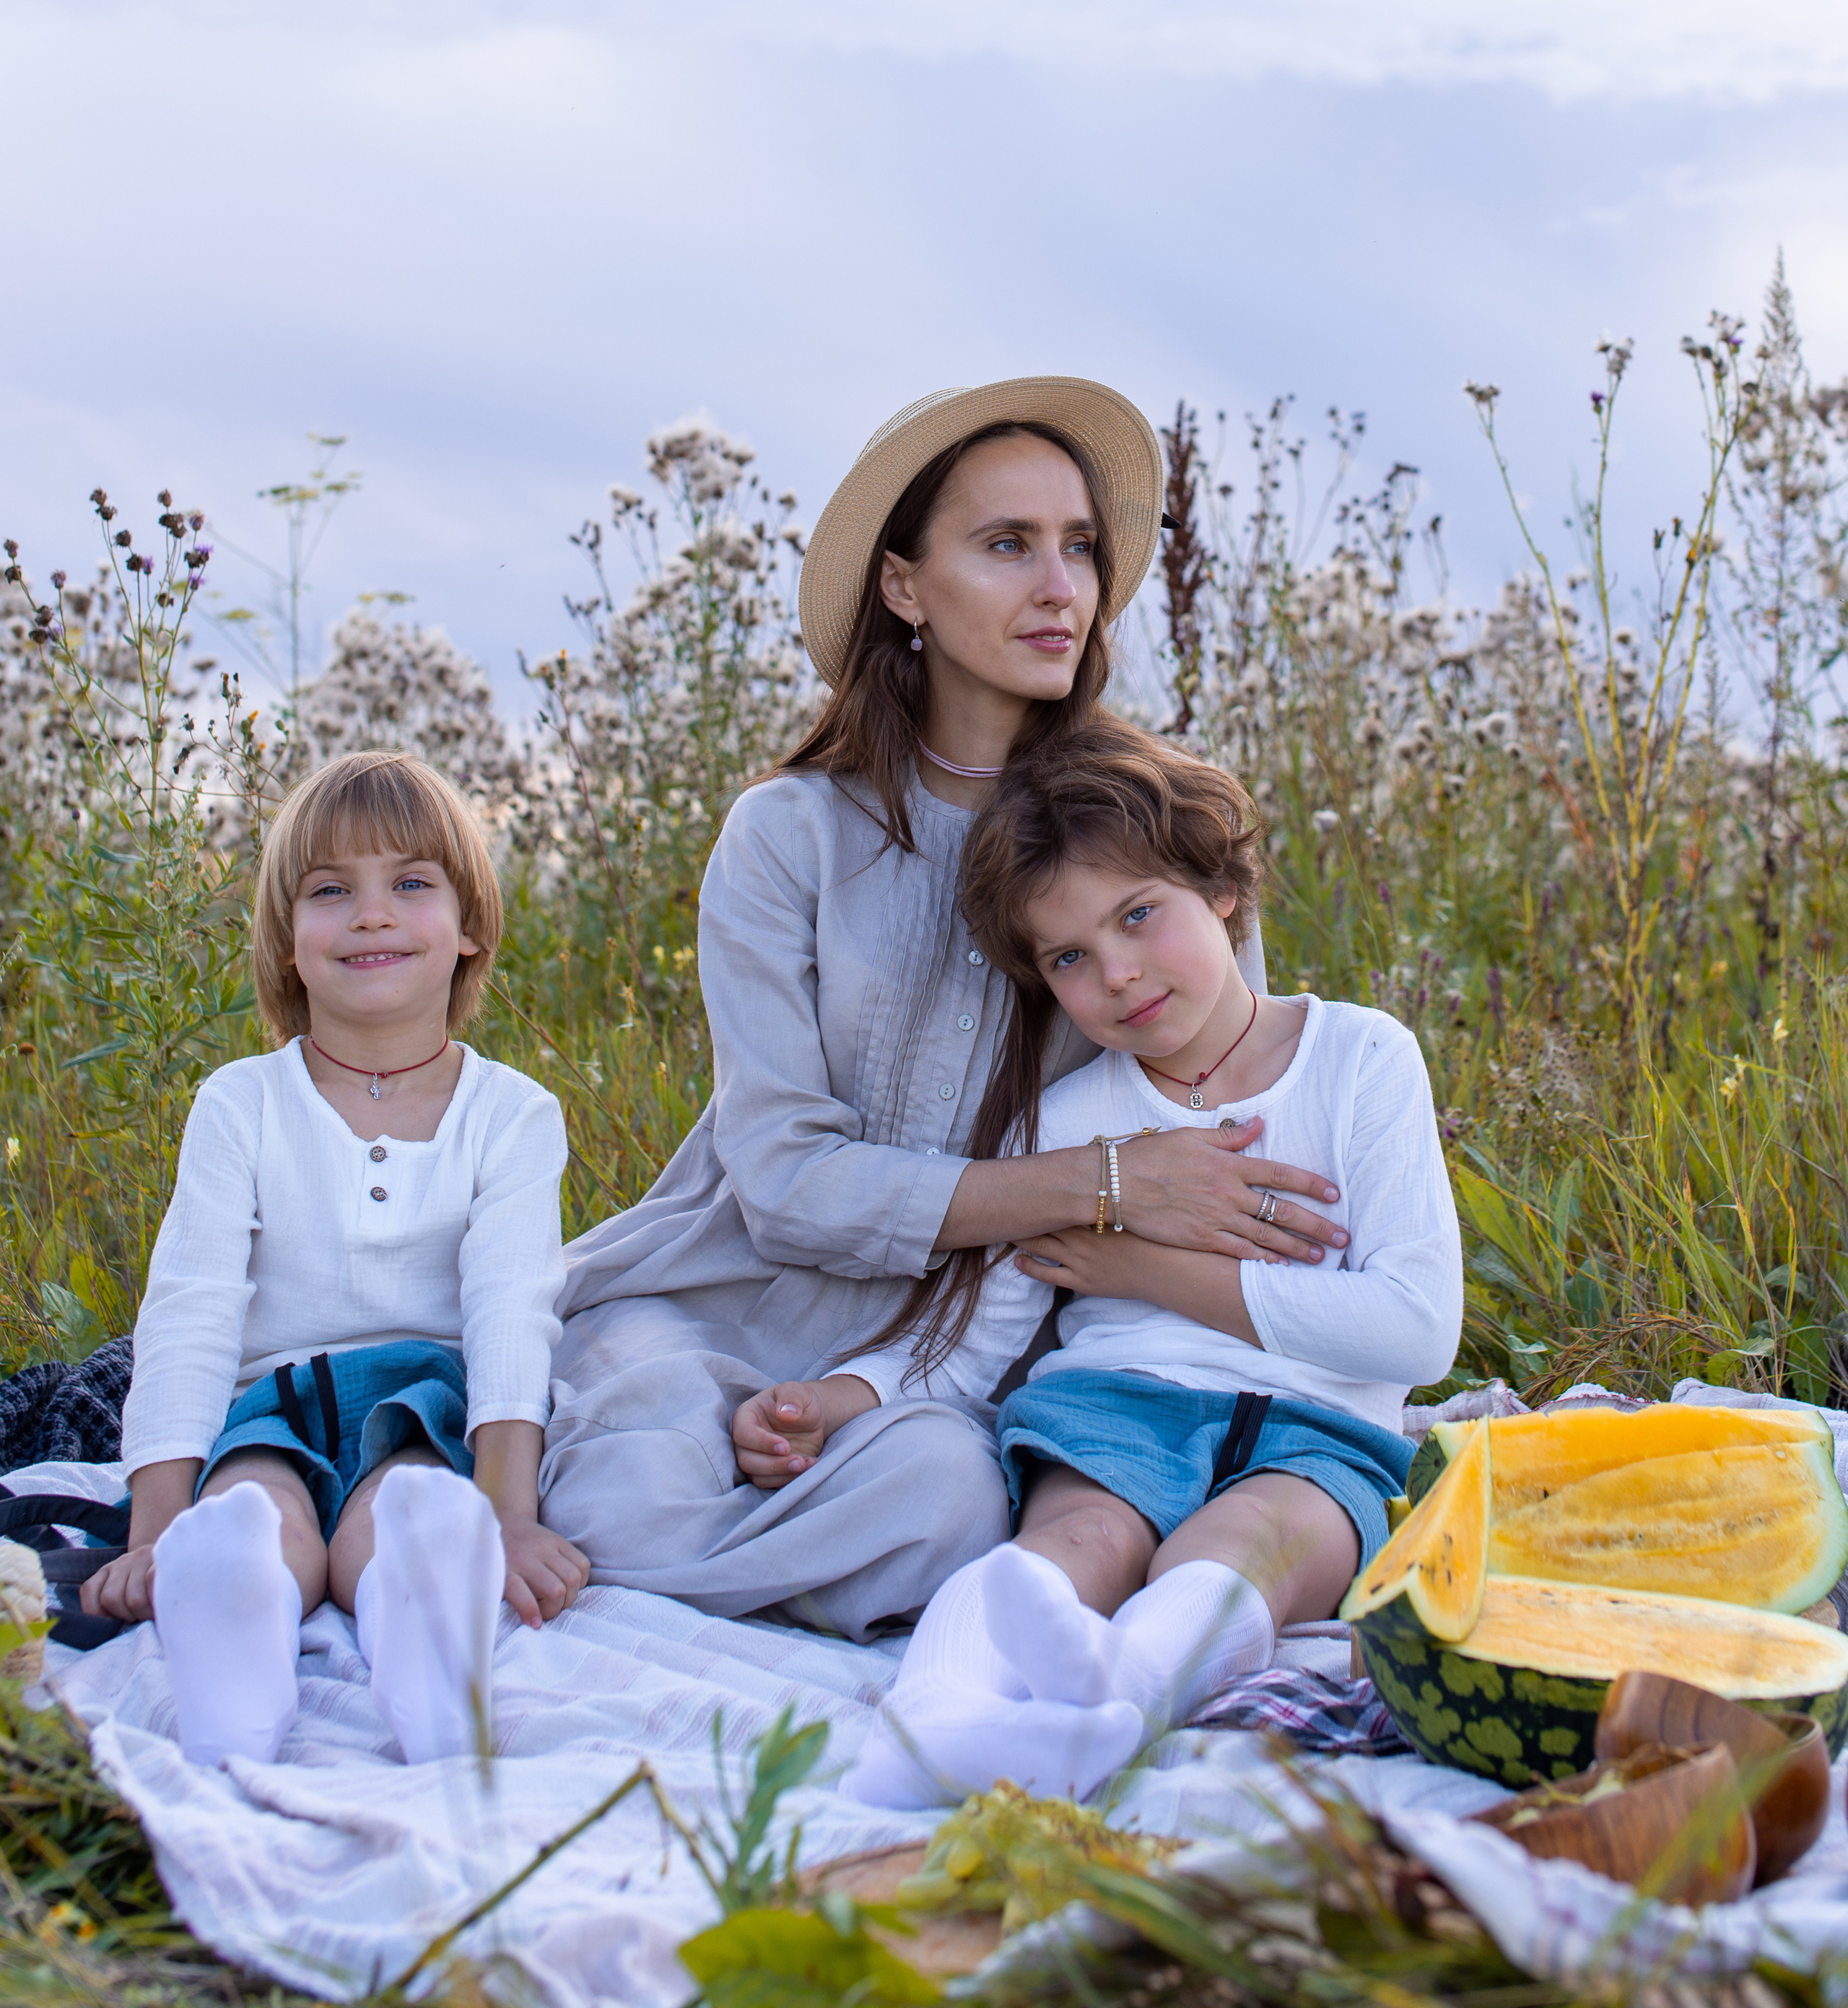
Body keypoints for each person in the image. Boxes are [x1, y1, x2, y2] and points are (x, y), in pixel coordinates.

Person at [543, 378, 1351, 1638]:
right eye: (1008, 544)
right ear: (905, 586)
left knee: (953, 1507)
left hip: (969, 1350)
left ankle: (716, 1581)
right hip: (728, 1302)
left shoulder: (1161, 833)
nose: (1061, 587)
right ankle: (688, 1555)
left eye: (1079, 546)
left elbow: (1217, 1134)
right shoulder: (789, 835)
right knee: (631, 1471)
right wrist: (1104, 1182)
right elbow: (783, 1183)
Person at [730, 723, 1463, 1802]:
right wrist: (838, 1397)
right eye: (1069, 957)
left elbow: (1417, 1329)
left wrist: (1149, 1271)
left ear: (1221, 888)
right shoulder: (1069, 1122)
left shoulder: (1359, 1059)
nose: (1116, 974)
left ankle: (1114, 1698)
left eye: (1138, 915)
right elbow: (971, 1344)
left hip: (1321, 1432)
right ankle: (927, 1726)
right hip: (1119, 1406)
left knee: (1247, 1544)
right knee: (1078, 1538)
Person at [82, 751, 585, 1768]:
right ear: (287, 940)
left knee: (402, 1513)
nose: (371, 915)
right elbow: (190, 1309)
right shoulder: (242, 1102)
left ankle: (431, 1650)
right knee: (252, 1510)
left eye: (411, 883)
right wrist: (155, 1527)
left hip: (423, 1409)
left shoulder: (512, 1114)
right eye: (330, 891)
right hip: (273, 1399)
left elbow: (510, 1312)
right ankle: (232, 1647)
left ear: (470, 925)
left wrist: (509, 1516)